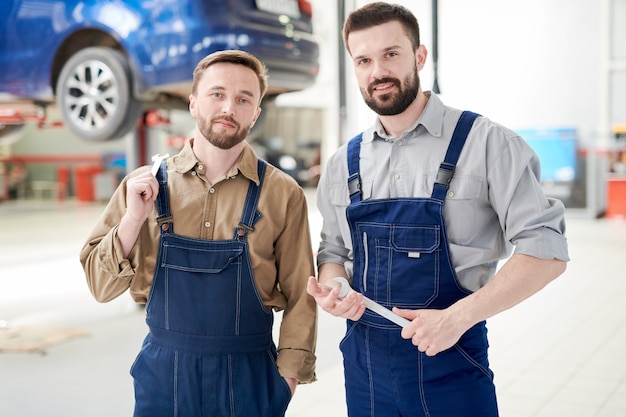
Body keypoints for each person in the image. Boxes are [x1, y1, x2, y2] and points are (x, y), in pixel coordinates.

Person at [306, 3, 569, 416]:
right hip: (366, 374)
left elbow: (547, 252)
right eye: (364, 60)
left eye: (391, 53)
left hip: (452, 367)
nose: (379, 71)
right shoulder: (343, 163)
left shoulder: (487, 144)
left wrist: (457, 317)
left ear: (420, 56)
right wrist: (335, 289)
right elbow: (333, 254)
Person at [80, 50, 317, 417]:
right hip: (163, 375)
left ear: (255, 113)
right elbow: (100, 287)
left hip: (251, 378)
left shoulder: (283, 194)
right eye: (217, 94)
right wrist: (132, 219)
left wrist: (285, 382)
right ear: (193, 103)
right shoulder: (142, 186)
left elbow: (303, 293)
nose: (229, 108)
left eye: (243, 99)